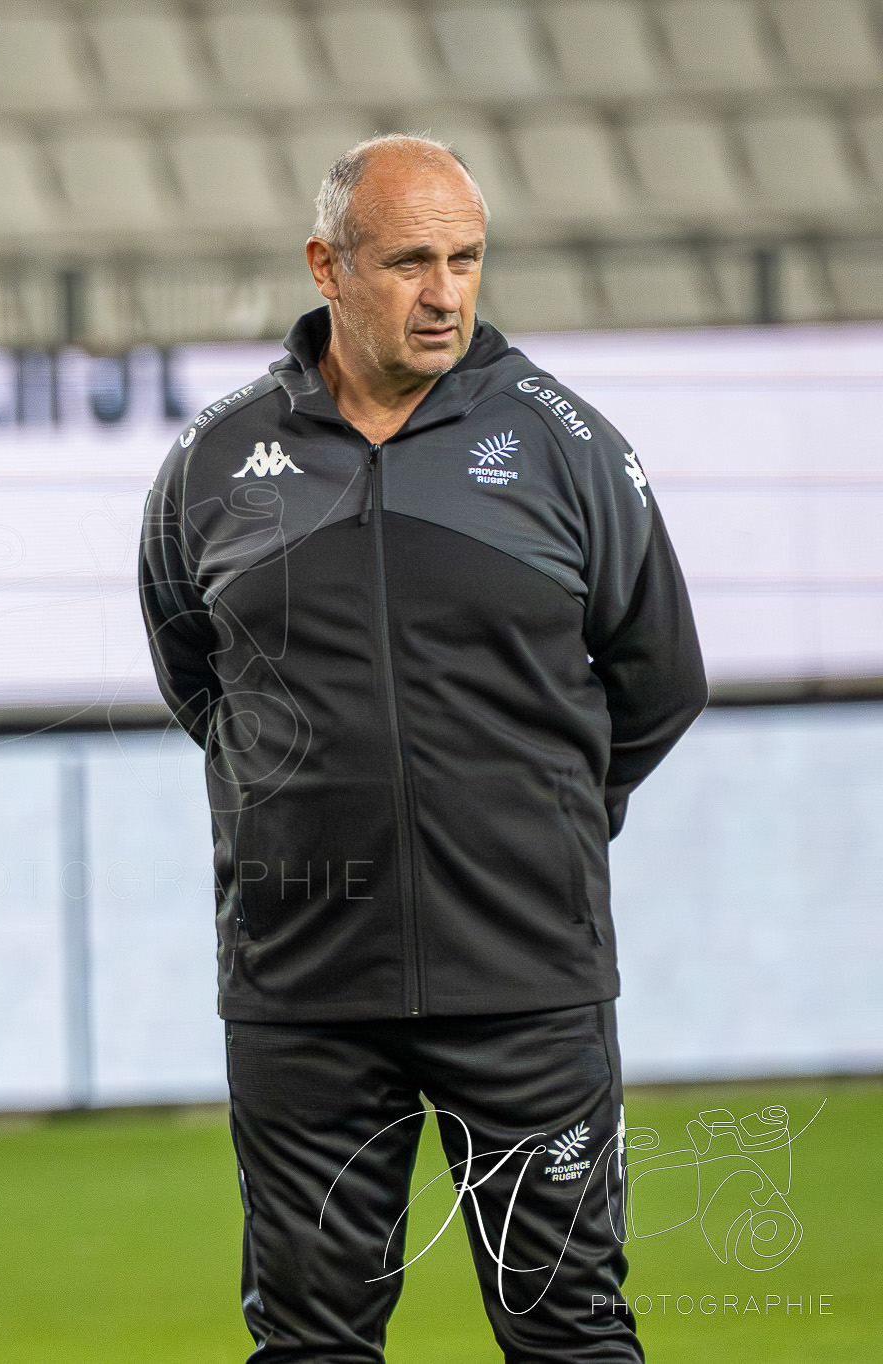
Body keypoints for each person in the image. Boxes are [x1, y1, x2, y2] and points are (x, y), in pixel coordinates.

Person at [139, 135, 707, 1361]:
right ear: (326, 266)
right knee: (308, 1344)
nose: (443, 291)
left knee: (568, 1331)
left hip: (523, 980)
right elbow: (196, 673)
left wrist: (536, 821)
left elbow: (660, 679)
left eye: (463, 259)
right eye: (408, 261)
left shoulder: (566, 446)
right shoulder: (213, 459)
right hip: (302, 988)